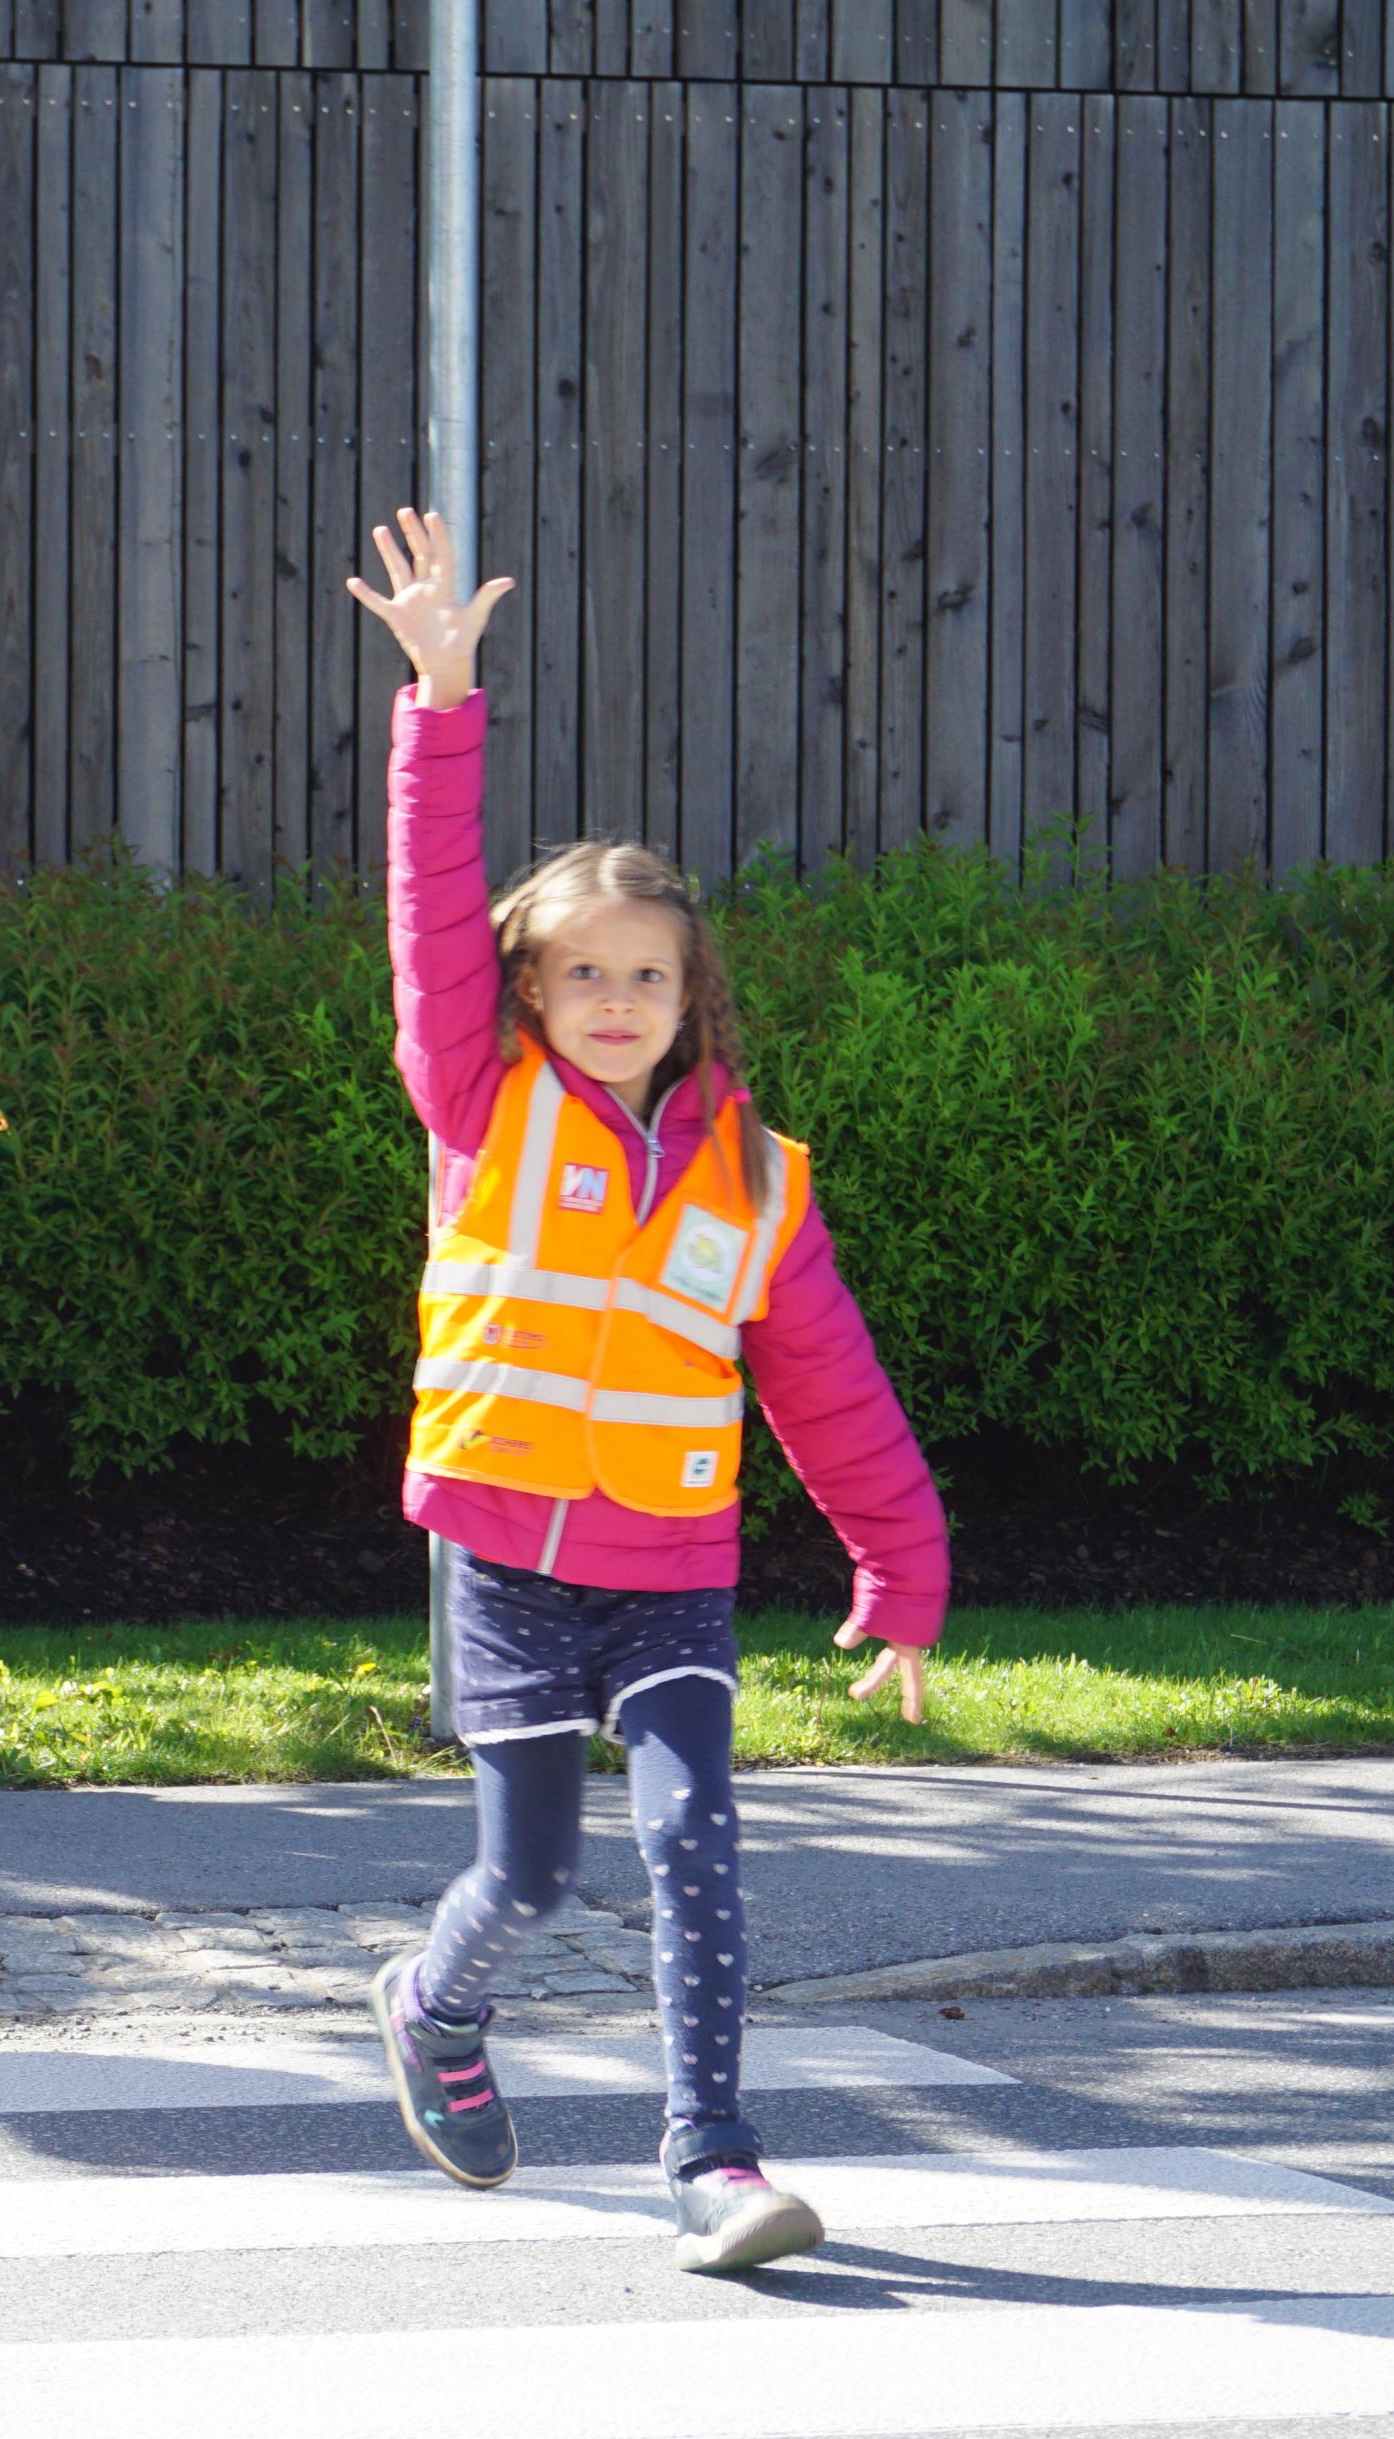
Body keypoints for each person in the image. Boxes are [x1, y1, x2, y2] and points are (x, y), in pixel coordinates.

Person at [348, 509, 949, 2275]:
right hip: (509, 1561)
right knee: (533, 1875)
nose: (617, 998)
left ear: (693, 999)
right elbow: (428, 921)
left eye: (649, 974)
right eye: (584, 972)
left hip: (672, 1565)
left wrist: (900, 1568)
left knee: (696, 1840)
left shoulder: (755, 1177)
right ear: (531, 989)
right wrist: (439, 709)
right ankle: (434, 2004)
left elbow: (832, 1383)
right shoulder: (479, 1101)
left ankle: (714, 2158)